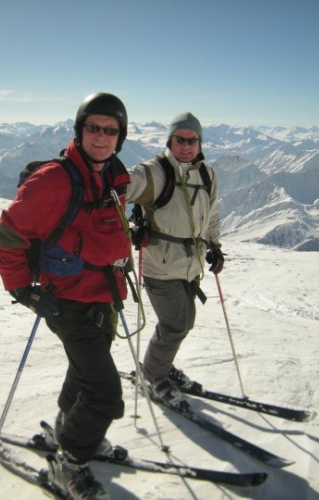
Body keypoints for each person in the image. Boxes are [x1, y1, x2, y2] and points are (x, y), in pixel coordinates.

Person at [0, 92, 132, 499]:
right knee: (105, 392)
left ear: (120, 136)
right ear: (80, 129)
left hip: (103, 294)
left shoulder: (114, 175)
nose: (102, 136)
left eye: (111, 130)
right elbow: (8, 232)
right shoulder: (54, 179)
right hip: (66, 299)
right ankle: (68, 463)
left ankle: (69, 432)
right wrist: (21, 288)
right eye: (94, 127)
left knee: (84, 370)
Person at [126, 111, 224, 405]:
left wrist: (215, 246)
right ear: (170, 140)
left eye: (192, 140)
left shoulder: (206, 175)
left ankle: (160, 366)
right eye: (180, 139)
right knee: (175, 324)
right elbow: (116, 193)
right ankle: (154, 375)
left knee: (184, 321)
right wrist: (131, 230)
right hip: (160, 264)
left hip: (190, 265)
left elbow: (213, 215)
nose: (186, 145)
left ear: (199, 143)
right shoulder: (153, 172)